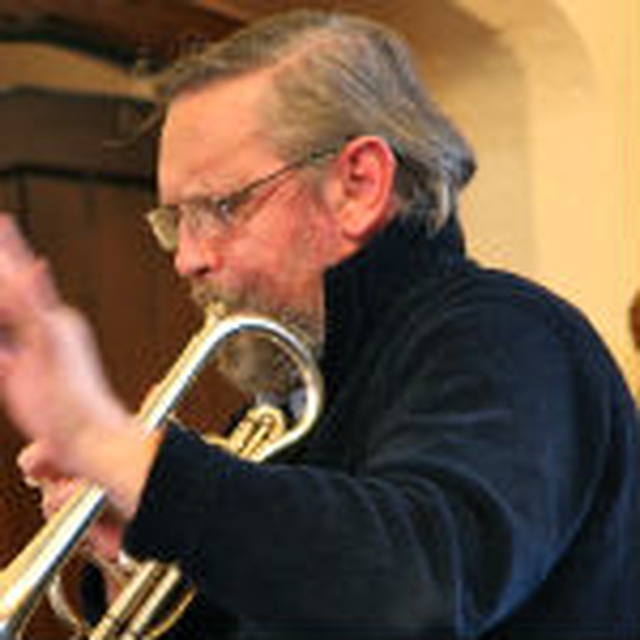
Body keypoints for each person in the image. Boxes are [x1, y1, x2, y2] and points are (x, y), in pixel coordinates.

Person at [0, 9, 638, 639]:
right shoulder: (290, 400)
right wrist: (130, 563)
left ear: (358, 184)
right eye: (175, 221)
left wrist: (117, 450)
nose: (189, 257)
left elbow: (420, 594)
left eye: (219, 207)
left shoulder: (509, 337)